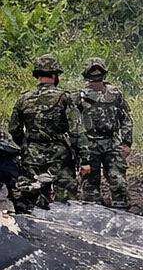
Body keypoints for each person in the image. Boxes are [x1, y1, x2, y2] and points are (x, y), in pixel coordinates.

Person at [7, 54, 85, 212]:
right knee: (67, 203)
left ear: (37, 75)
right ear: (55, 75)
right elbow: (76, 131)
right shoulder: (64, 98)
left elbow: (14, 129)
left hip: (32, 156)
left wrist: (26, 145)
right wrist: (84, 157)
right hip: (59, 158)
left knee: (29, 202)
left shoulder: (24, 98)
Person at [76, 57, 133, 208]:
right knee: (89, 190)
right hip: (90, 145)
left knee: (119, 184)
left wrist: (126, 143)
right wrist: (81, 152)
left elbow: (126, 118)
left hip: (112, 144)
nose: (95, 75)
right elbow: (74, 123)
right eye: (92, 72)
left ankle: (122, 218)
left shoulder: (114, 93)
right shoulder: (79, 96)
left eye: (98, 71)